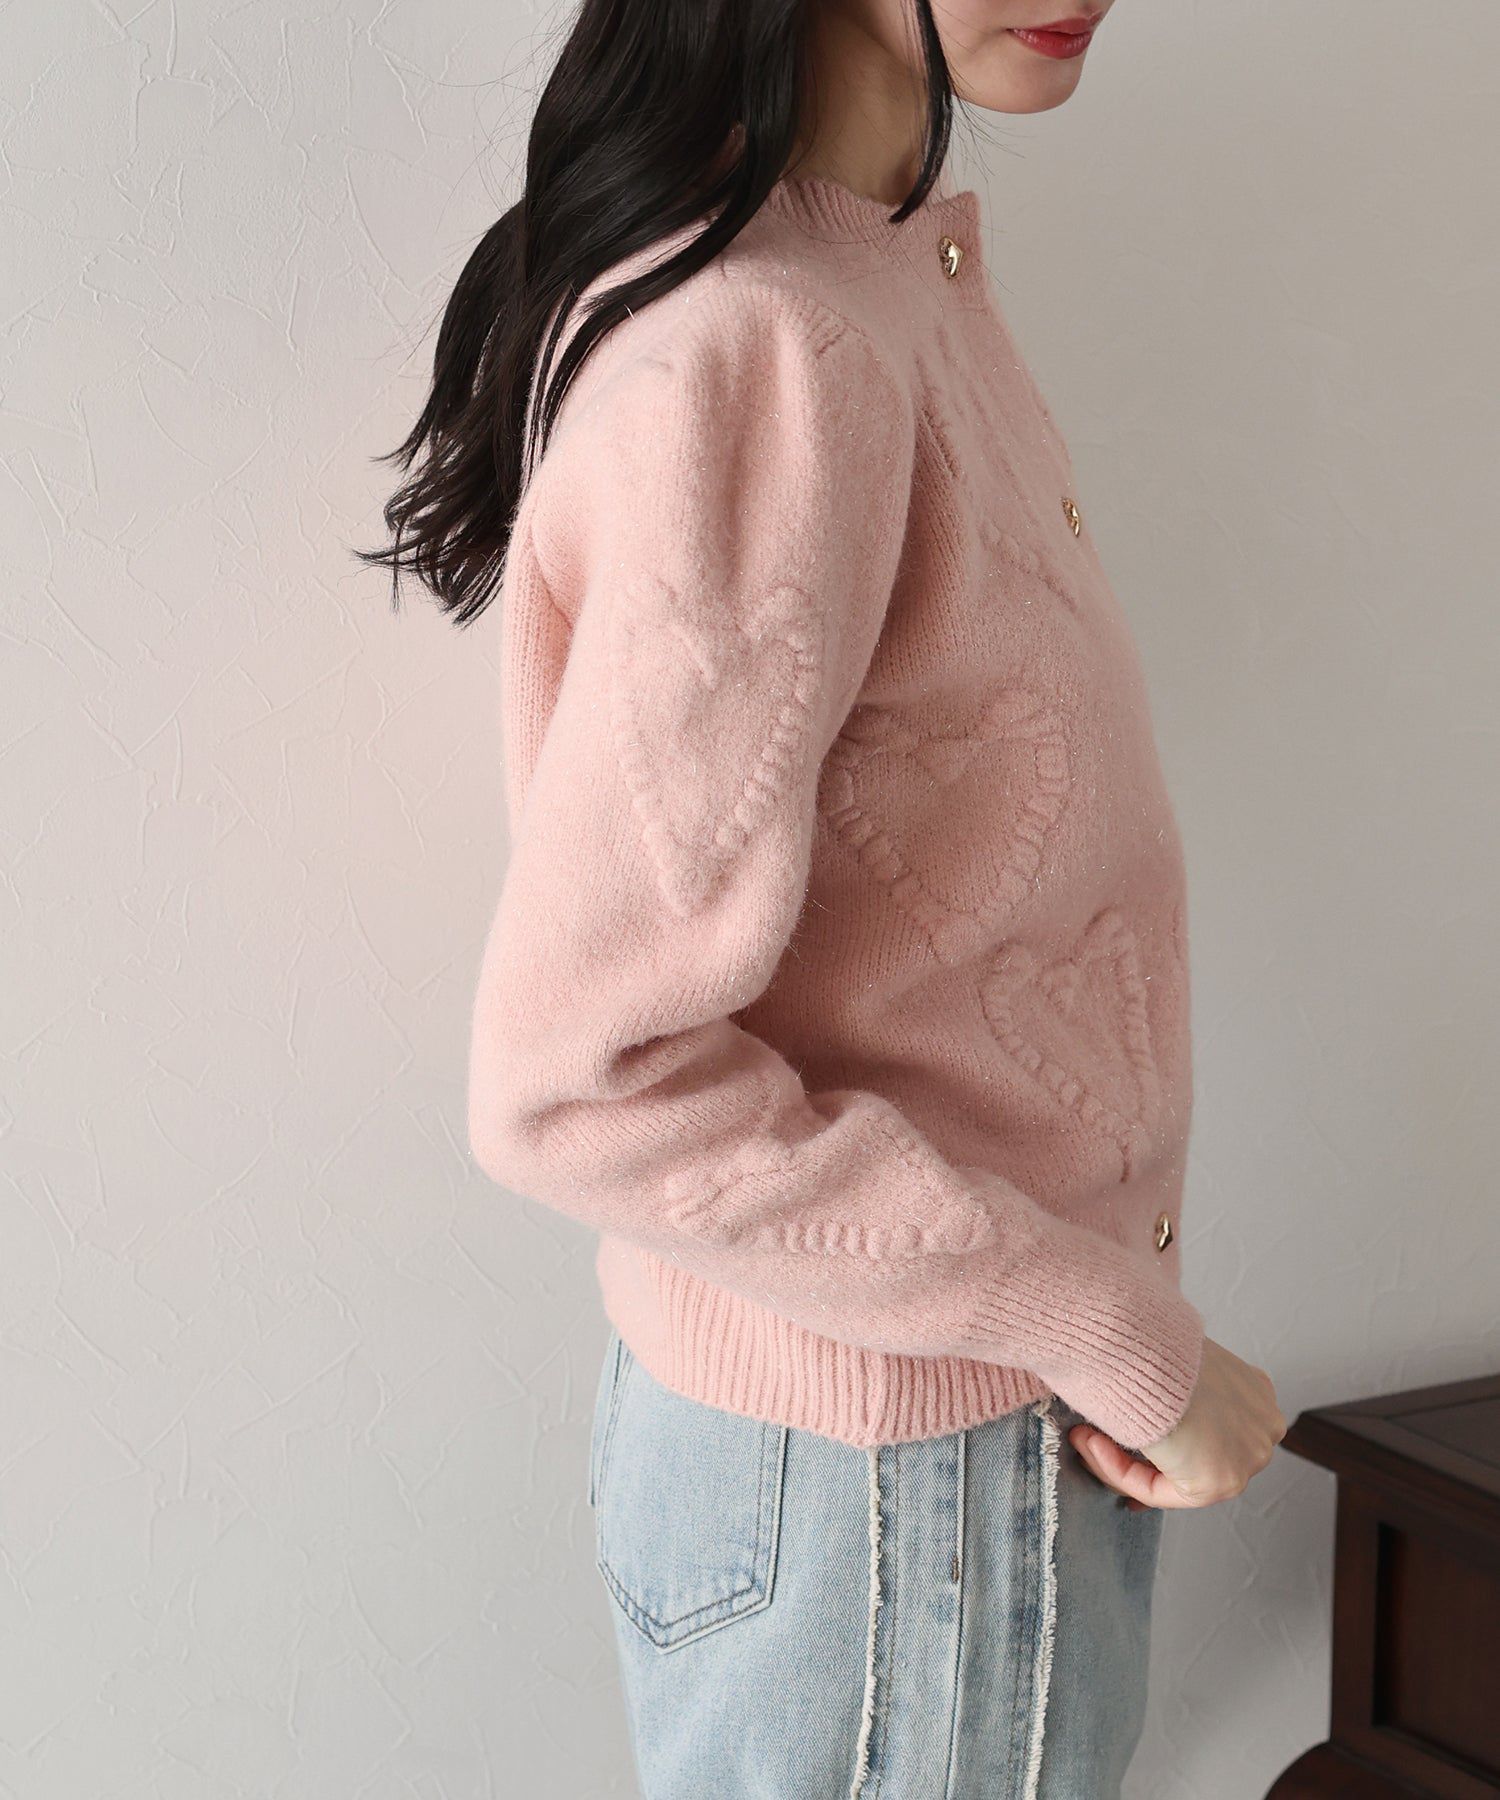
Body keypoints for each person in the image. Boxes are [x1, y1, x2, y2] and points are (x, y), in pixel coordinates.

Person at [360, 0, 1287, 1792]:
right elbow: (582, 1081)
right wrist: (1115, 1336)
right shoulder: (776, 352)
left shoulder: (872, 287)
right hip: (908, 1506)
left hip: (912, 1476)